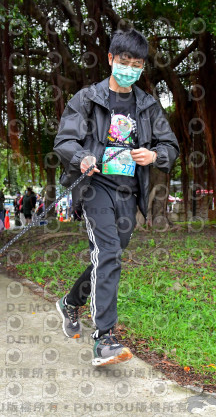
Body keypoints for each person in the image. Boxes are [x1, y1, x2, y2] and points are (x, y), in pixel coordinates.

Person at [53, 29, 179, 366]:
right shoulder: (87, 99)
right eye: (125, 62)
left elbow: (170, 146)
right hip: (95, 187)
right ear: (111, 59)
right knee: (108, 253)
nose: (130, 68)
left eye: (137, 64)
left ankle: (70, 302)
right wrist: (82, 157)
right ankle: (104, 338)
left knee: (108, 256)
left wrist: (154, 157)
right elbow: (64, 141)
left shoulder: (148, 105)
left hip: (130, 191)